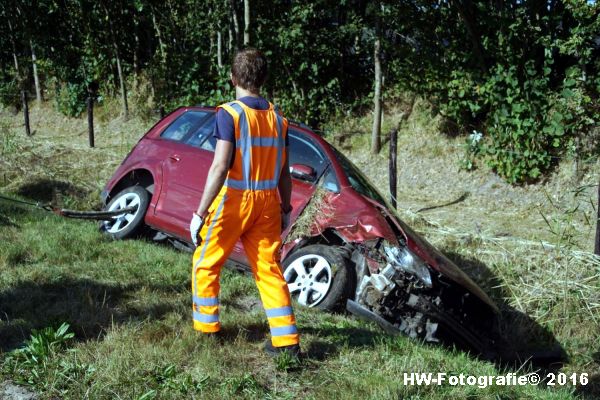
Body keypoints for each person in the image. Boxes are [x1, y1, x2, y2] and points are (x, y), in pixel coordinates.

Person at [189, 48, 300, 356]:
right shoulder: (279, 120)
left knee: (206, 262)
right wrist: (286, 208)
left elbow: (220, 166)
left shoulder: (229, 113)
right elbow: (284, 173)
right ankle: (287, 343)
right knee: (268, 269)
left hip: (234, 201)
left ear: (233, 78)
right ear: (262, 79)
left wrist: (199, 213)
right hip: (268, 203)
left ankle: (207, 330)